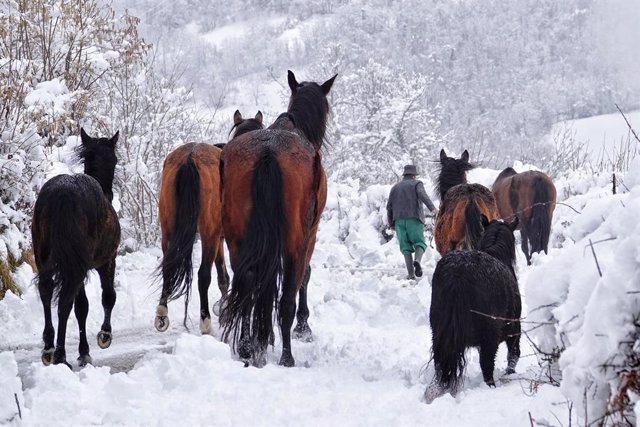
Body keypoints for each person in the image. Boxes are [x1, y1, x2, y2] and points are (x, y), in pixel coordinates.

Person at [387, 164, 438, 279]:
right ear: (414, 176)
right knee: (419, 243)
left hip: (399, 221)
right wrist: (433, 208)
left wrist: (391, 223)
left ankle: (411, 275)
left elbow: (389, 206)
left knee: (405, 247)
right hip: (414, 219)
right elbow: (422, 195)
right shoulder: (417, 184)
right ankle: (418, 261)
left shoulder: (395, 187)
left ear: (404, 175)